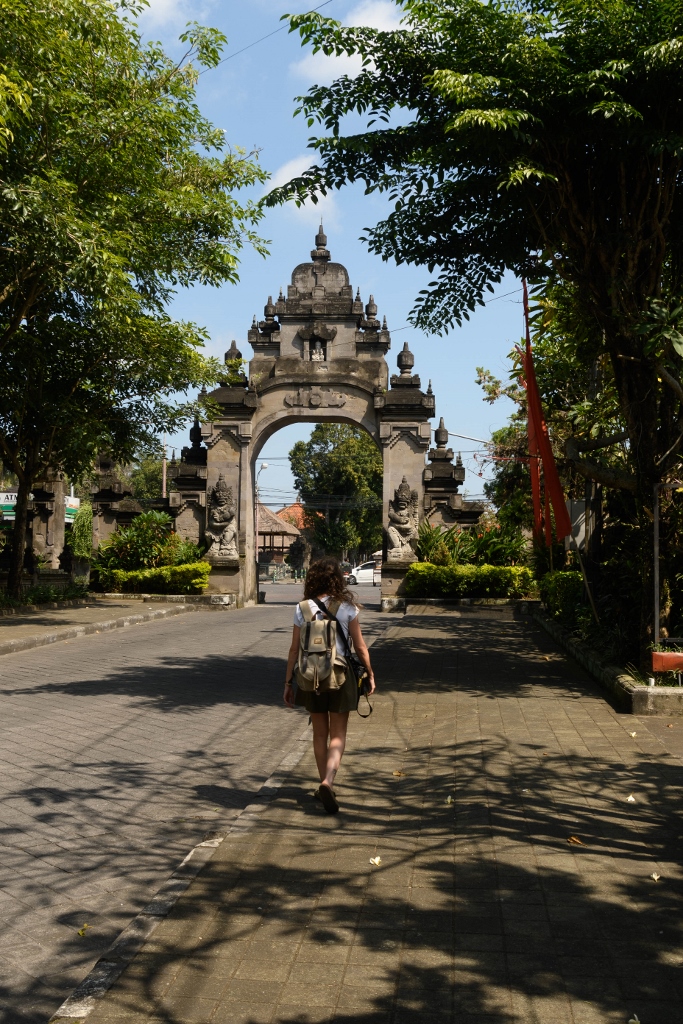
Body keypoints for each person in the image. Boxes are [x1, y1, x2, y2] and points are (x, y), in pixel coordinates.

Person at [284, 556, 376, 814]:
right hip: (340, 676)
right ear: (338, 578)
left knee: (319, 734)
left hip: (310, 677)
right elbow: (360, 647)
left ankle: (321, 782)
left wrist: (288, 682)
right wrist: (370, 673)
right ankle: (328, 781)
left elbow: (293, 650)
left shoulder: (301, 608)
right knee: (338, 735)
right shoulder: (347, 608)